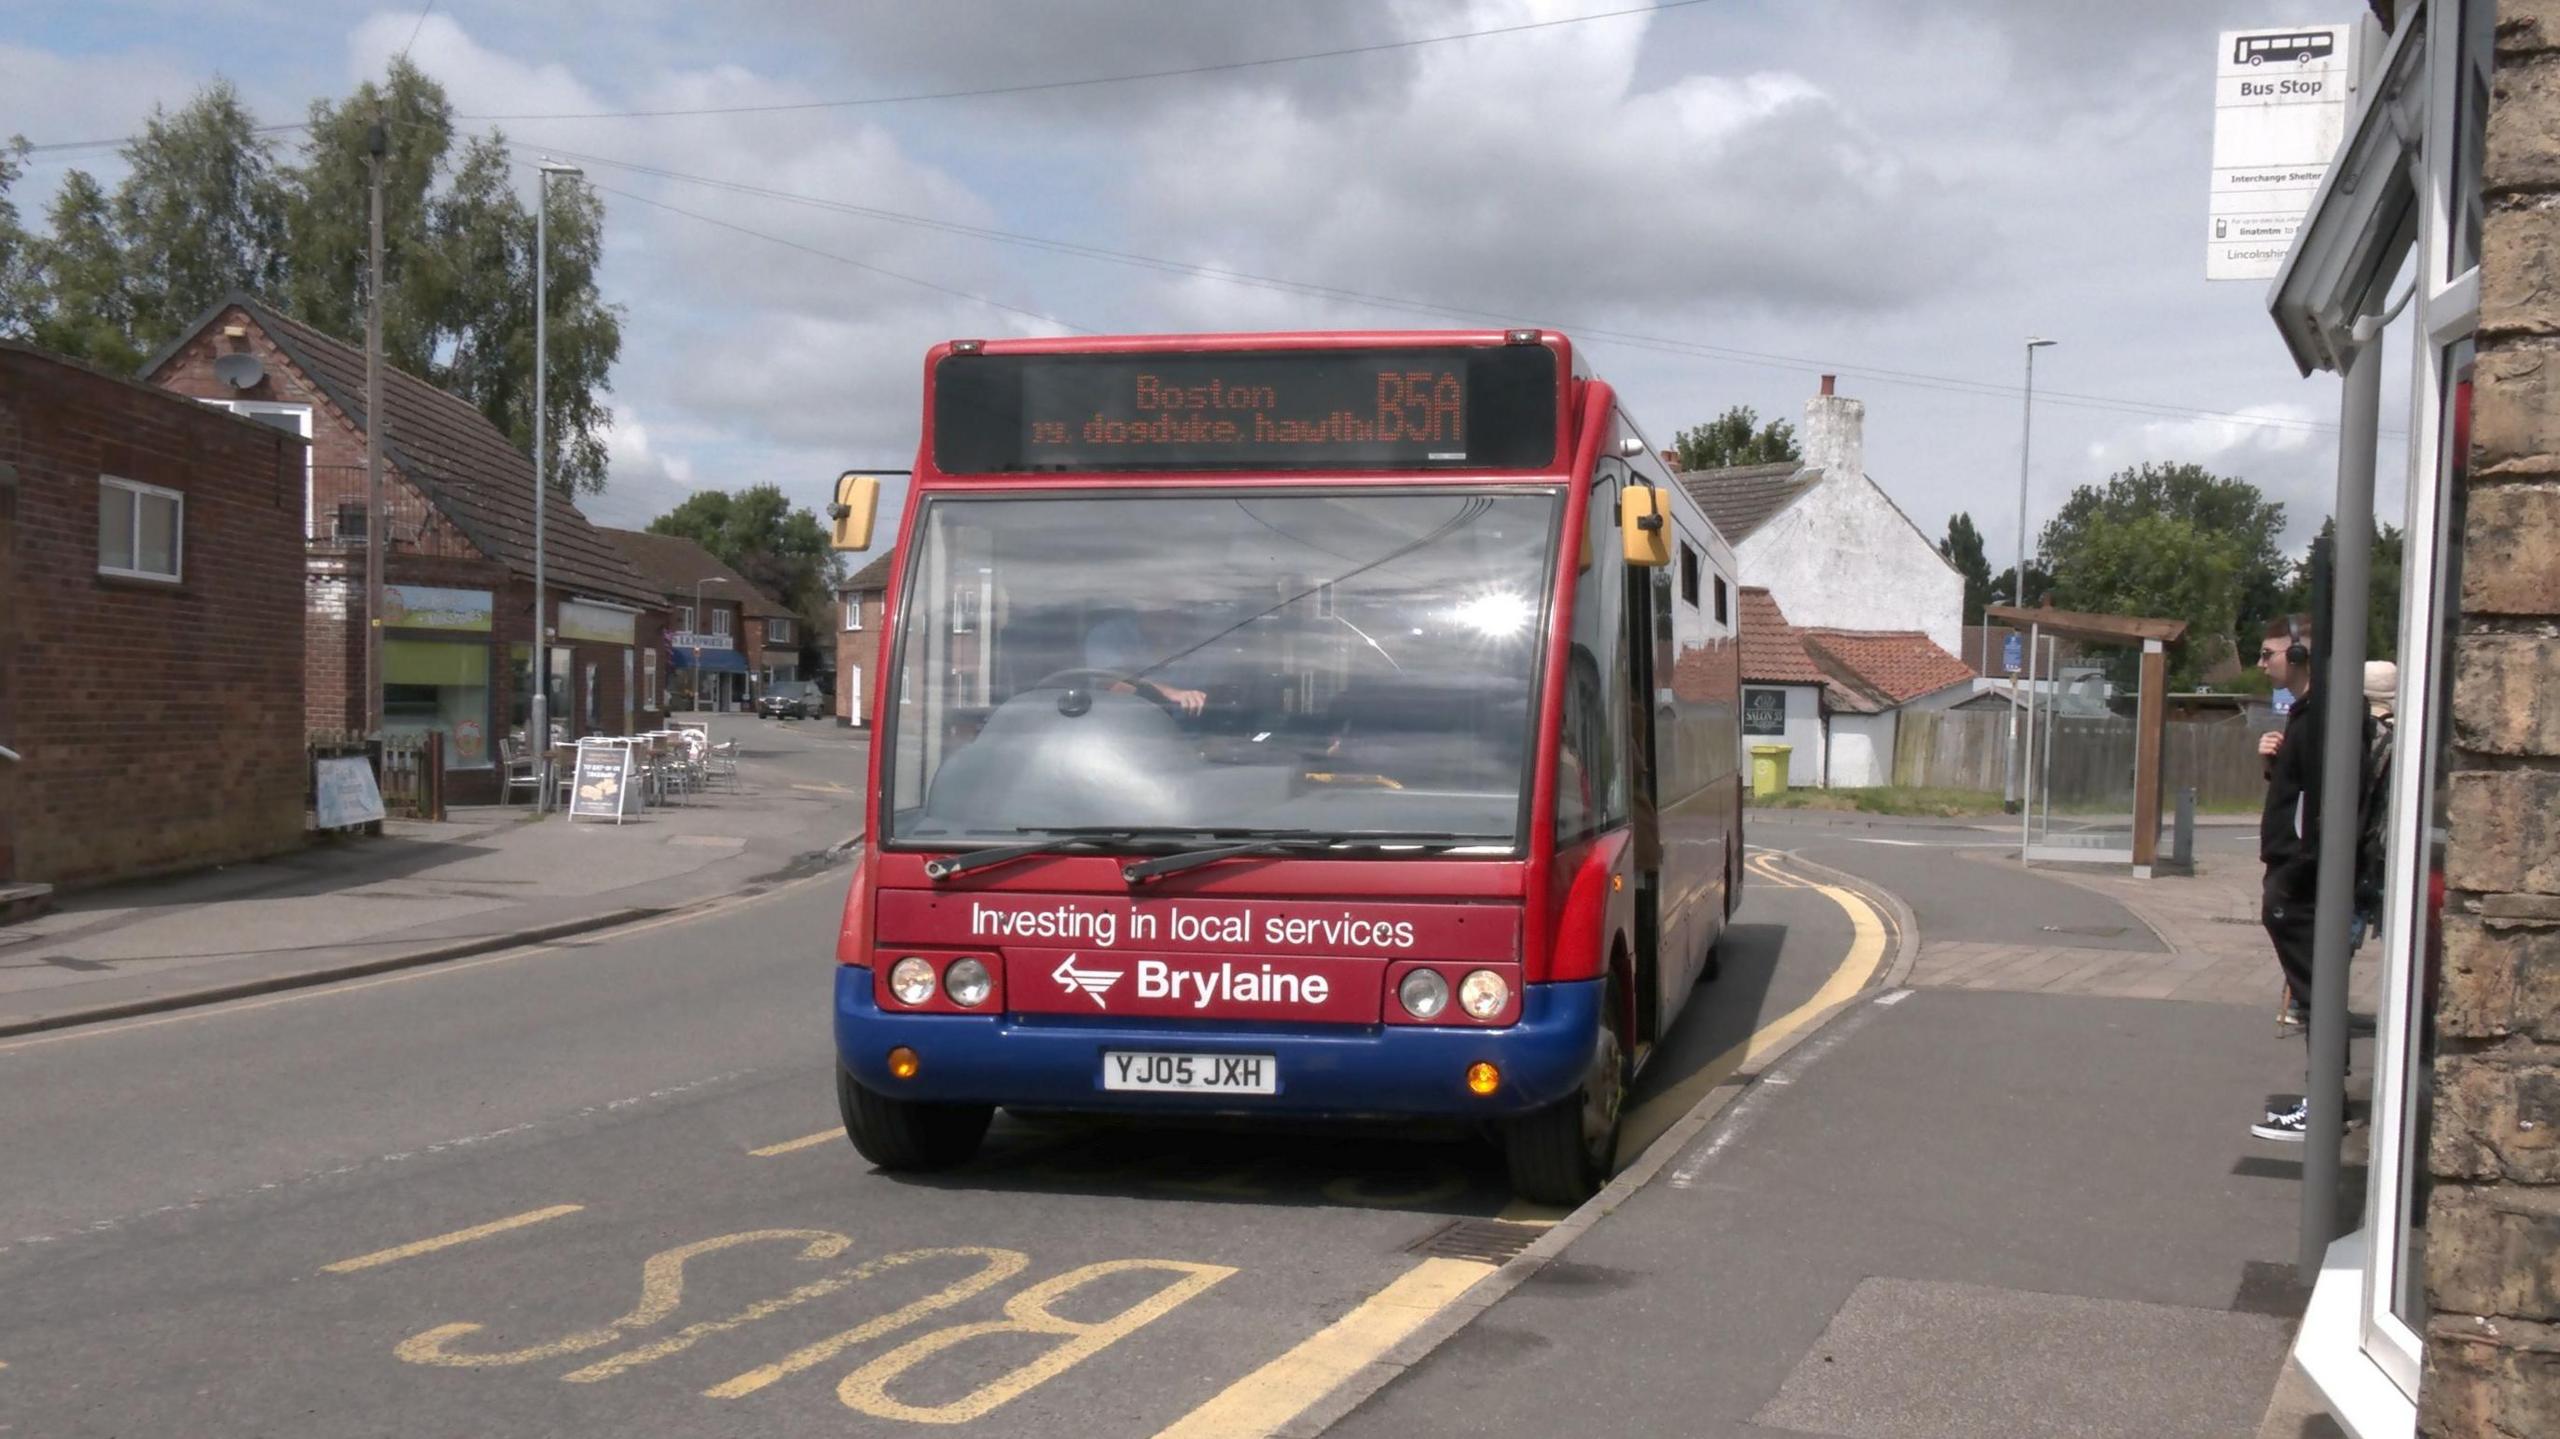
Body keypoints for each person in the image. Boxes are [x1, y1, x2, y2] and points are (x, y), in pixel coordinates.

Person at [2249, 616, 2377, 1142]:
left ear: (2299, 656)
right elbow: (2304, 790)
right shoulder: (2309, 715)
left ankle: (2327, 1105)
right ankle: (2326, 1099)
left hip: (2307, 876)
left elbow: (2329, 800)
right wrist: (2274, 765)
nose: (2261, 665)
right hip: (2301, 871)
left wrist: (2295, 873)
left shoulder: (2326, 715)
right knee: (2313, 992)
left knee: (2317, 992)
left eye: (2268, 654)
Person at [1083, 609, 1208, 716]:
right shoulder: (1110, 634)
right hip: (1120, 726)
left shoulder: (1204, 641)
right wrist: (1170, 693)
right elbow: (1111, 684)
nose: (1164, 615)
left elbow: (1217, 696)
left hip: (1188, 734)